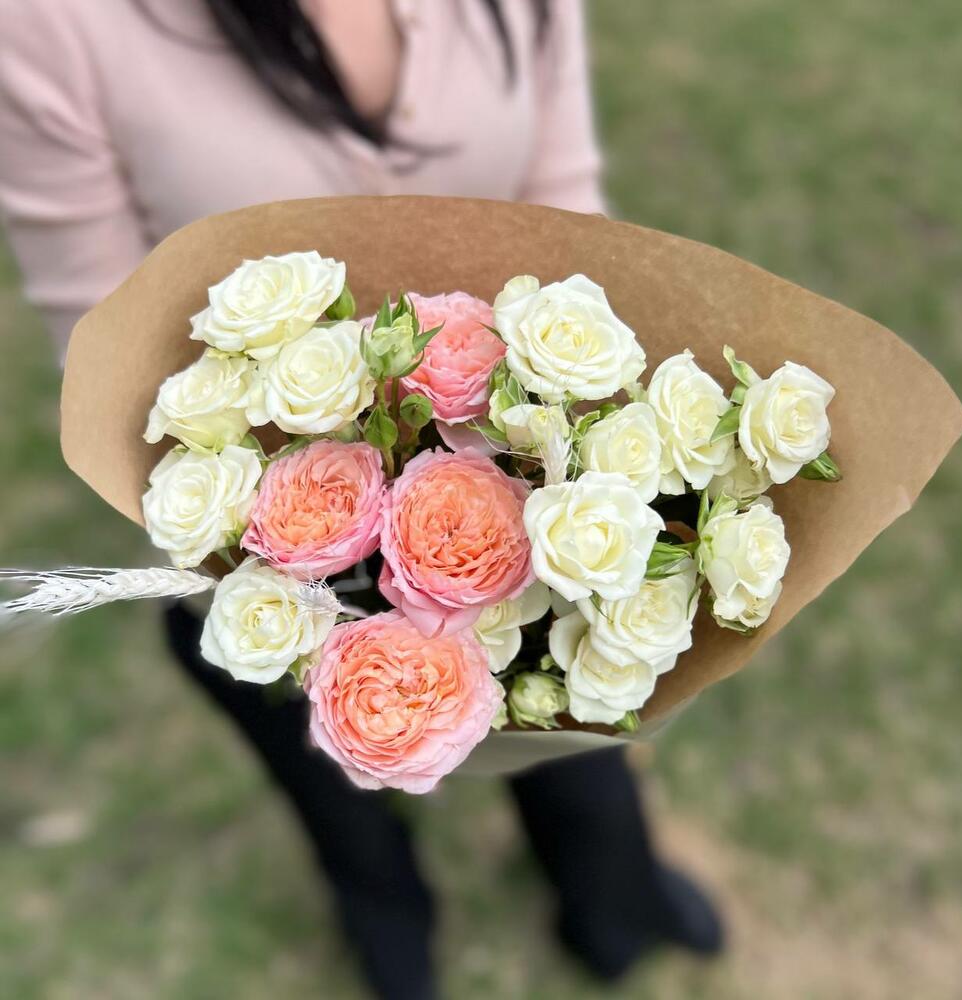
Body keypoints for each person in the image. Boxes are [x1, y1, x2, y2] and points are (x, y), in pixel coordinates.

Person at [0, 2, 723, 996]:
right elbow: (105, 351)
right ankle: (384, 905)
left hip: (528, 501)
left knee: (579, 725)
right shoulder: (53, 27)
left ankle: (614, 895)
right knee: (327, 751)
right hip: (264, 540)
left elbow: (571, 223)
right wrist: (293, 521)